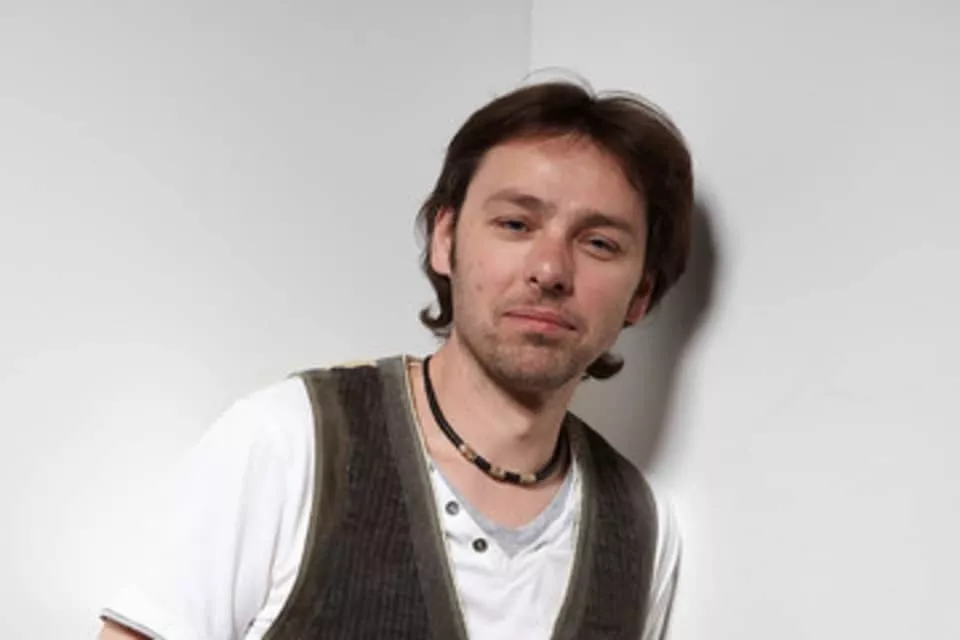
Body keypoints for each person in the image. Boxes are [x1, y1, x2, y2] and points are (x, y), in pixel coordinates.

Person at [98, 77, 694, 640]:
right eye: (515, 224)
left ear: (641, 293)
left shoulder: (642, 528)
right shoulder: (290, 444)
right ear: (445, 239)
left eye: (599, 243)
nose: (549, 269)